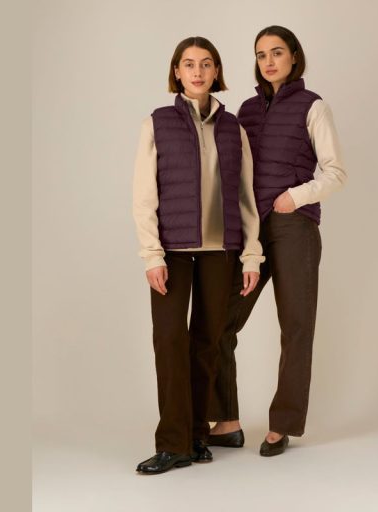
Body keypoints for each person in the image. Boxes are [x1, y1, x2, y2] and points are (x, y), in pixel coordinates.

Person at [207, 26, 347, 456]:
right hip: (251, 230)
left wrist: (294, 197)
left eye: (277, 52)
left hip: (293, 226)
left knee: (296, 325)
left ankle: (282, 424)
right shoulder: (246, 111)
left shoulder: (313, 106)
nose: (268, 61)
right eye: (261, 54)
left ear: (294, 57)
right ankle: (226, 420)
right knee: (221, 320)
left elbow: (335, 172)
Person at [132, 36, 264, 474]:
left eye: (206, 64)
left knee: (207, 344)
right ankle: (172, 444)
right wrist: (152, 255)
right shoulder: (157, 123)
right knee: (170, 342)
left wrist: (250, 254)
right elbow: (143, 196)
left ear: (216, 71)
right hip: (172, 252)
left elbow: (245, 195)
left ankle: (195, 436)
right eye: (189, 64)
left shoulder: (233, 128)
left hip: (220, 253)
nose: (198, 72)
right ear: (177, 72)